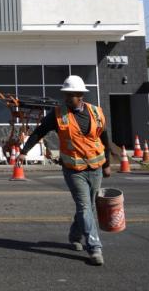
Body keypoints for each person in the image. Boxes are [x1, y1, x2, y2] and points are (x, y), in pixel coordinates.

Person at [18, 75, 118, 266]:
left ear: (80, 95)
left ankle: (74, 235)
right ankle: (94, 248)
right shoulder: (57, 114)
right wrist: (24, 152)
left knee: (88, 205)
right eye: (65, 94)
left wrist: (106, 164)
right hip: (73, 170)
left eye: (69, 94)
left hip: (95, 167)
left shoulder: (96, 112)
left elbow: (104, 137)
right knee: (84, 206)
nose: (66, 98)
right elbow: (39, 131)